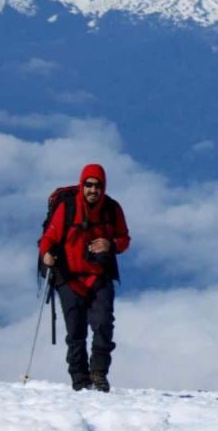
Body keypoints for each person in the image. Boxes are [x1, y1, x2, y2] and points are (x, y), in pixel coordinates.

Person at [39, 163, 131, 392]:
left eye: (97, 186)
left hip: (99, 277)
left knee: (103, 325)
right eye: (88, 185)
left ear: (103, 187)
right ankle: (80, 381)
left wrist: (111, 244)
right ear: (82, 185)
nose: (93, 190)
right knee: (76, 331)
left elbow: (124, 239)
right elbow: (48, 239)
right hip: (69, 277)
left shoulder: (112, 209)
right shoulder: (67, 208)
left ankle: (98, 374)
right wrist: (47, 255)